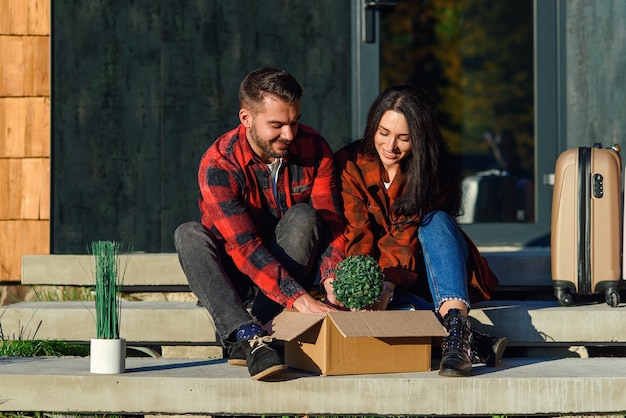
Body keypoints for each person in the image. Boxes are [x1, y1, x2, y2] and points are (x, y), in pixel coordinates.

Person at [174, 68, 343, 380]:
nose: (289, 135)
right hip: (236, 276)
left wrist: (332, 278)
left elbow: (331, 224)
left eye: (294, 122)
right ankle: (246, 334)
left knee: (306, 216)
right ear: (246, 118)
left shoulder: (316, 149)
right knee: (188, 234)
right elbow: (244, 247)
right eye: (277, 125)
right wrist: (297, 298)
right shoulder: (219, 163)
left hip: (291, 268)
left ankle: (264, 329)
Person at [328, 85, 506, 377]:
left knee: (435, 221)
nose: (390, 146)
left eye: (404, 138)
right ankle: (463, 337)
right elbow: (357, 230)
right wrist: (364, 285)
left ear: (419, 139)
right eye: (383, 133)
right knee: (374, 292)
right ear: (373, 125)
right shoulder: (349, 164)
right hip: (382, 271)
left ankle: (457, 333)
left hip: (427, 266)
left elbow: (405, 236)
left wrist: (387, 284)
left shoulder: (434, 170)